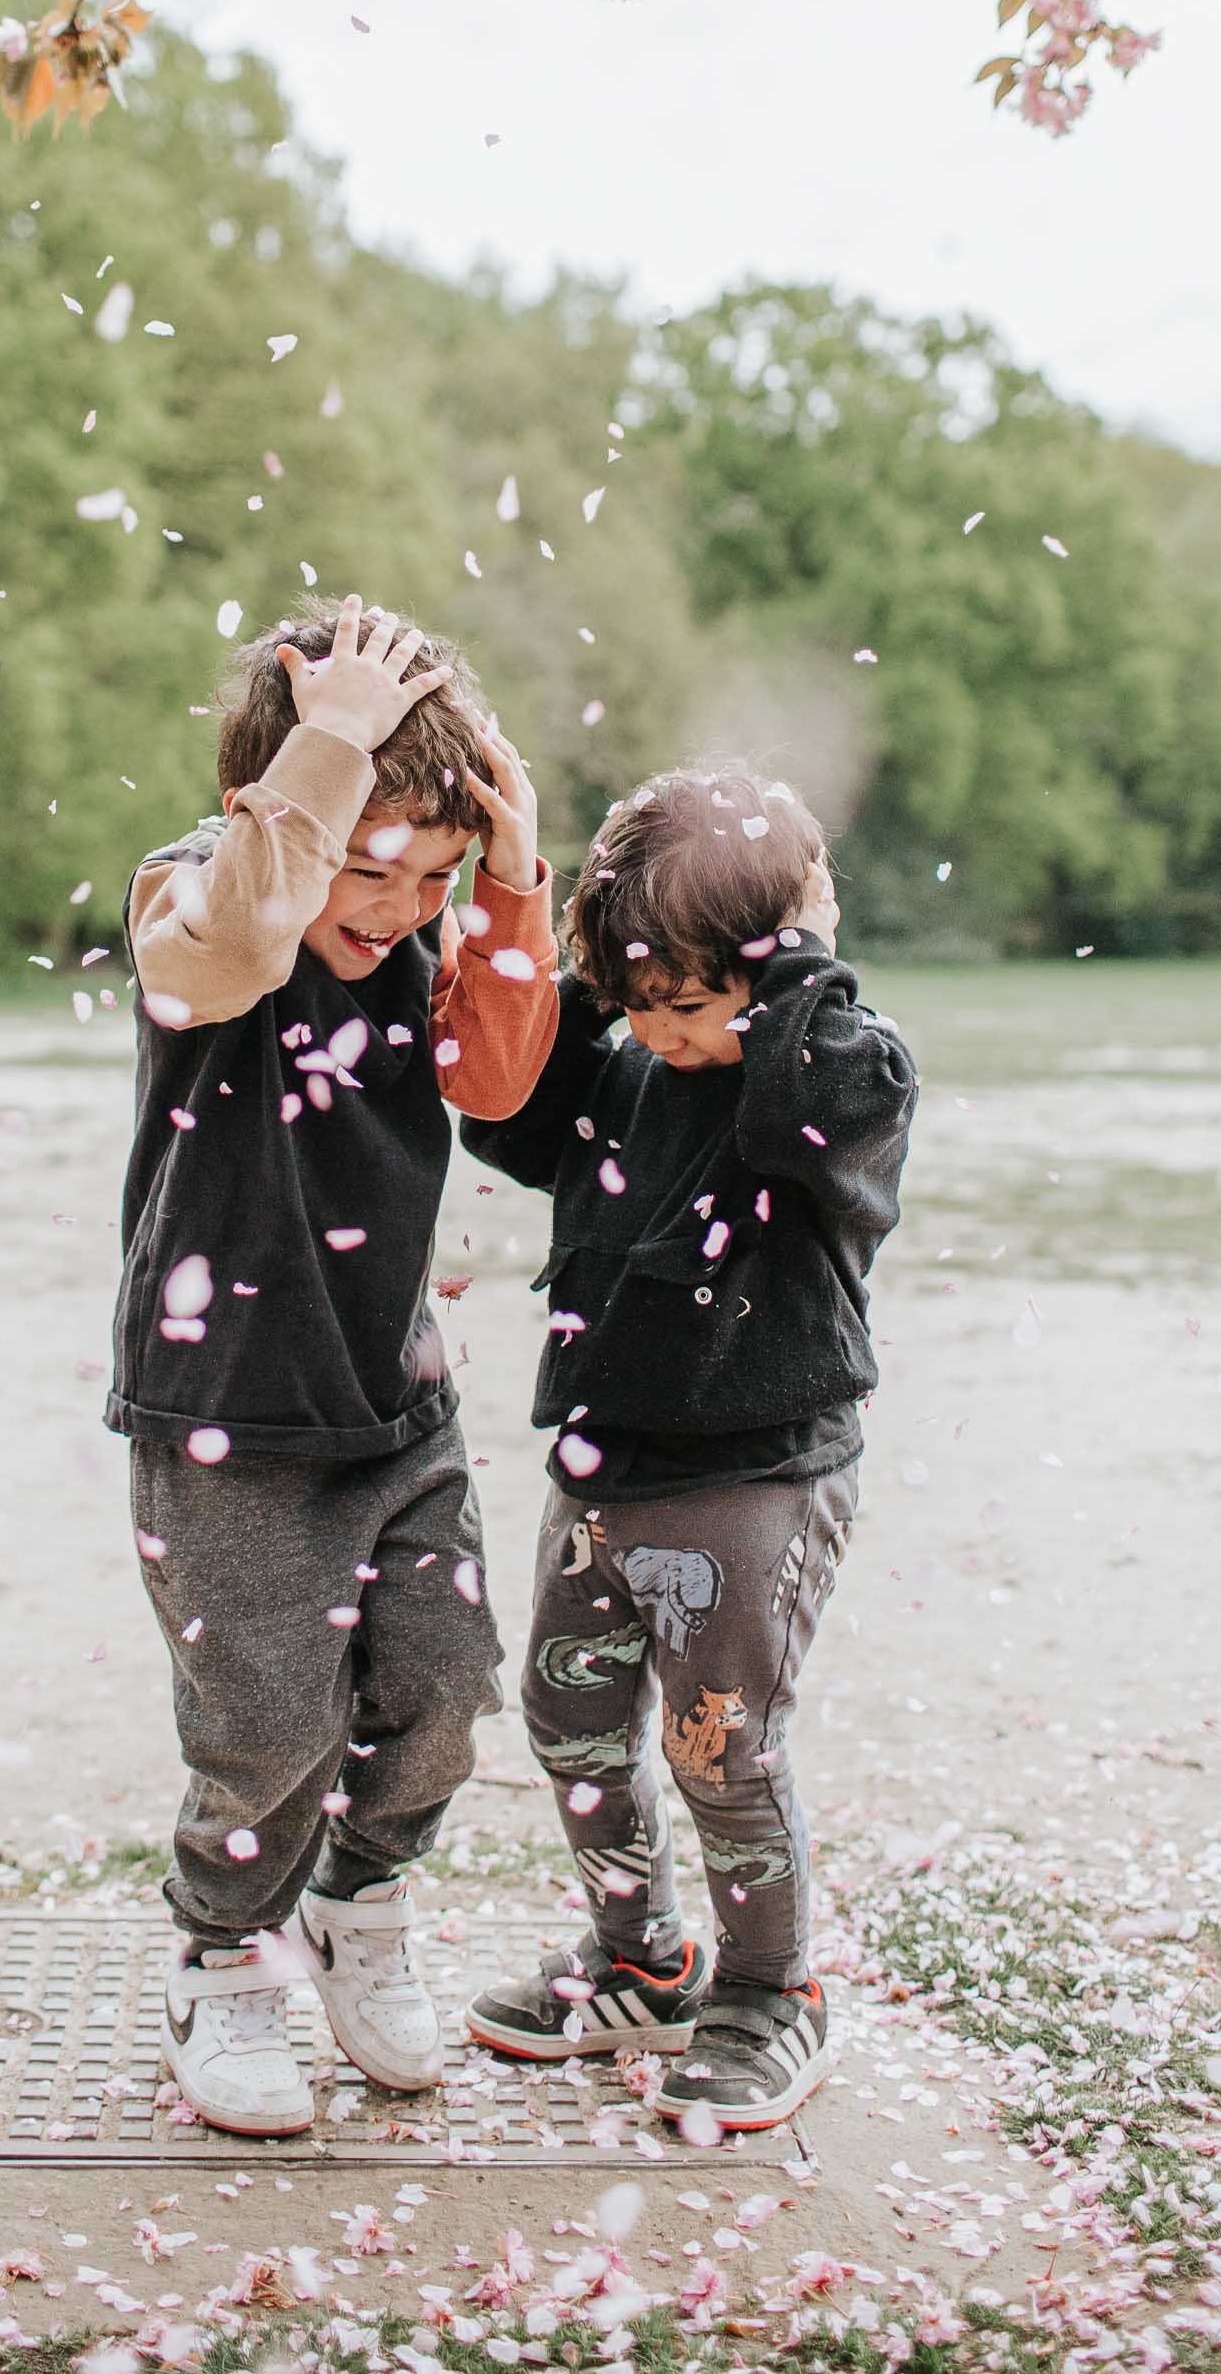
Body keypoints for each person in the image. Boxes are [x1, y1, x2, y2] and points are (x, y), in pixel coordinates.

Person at [109, 594, 557, 2138]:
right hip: (225, 1407)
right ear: (277, 799)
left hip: (392, 1396)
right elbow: (229, 957)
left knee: (441, 1685)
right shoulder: (192, 894)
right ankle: (223, 1951)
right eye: (369, 866)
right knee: (269, 1718)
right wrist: (331, 752)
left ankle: (357, 1909)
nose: (394, 902)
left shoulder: (428, 935)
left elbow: (498, 1078)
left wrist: (506, 885)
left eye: (428, 872)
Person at [459, 768, 918, 2137]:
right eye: (637, 1002)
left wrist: (795, 960)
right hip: (605, 1466)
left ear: (776, 969)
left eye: (689, 1004)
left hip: (751, 1481)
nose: (657, 1033)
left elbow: (799, 1113)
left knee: (725, 1750)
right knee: (568, 1720)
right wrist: (587, 963)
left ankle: (772, 1990)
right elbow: (506, 1116)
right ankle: (642, 1956)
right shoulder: (633, 1061)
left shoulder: (841, 1066)